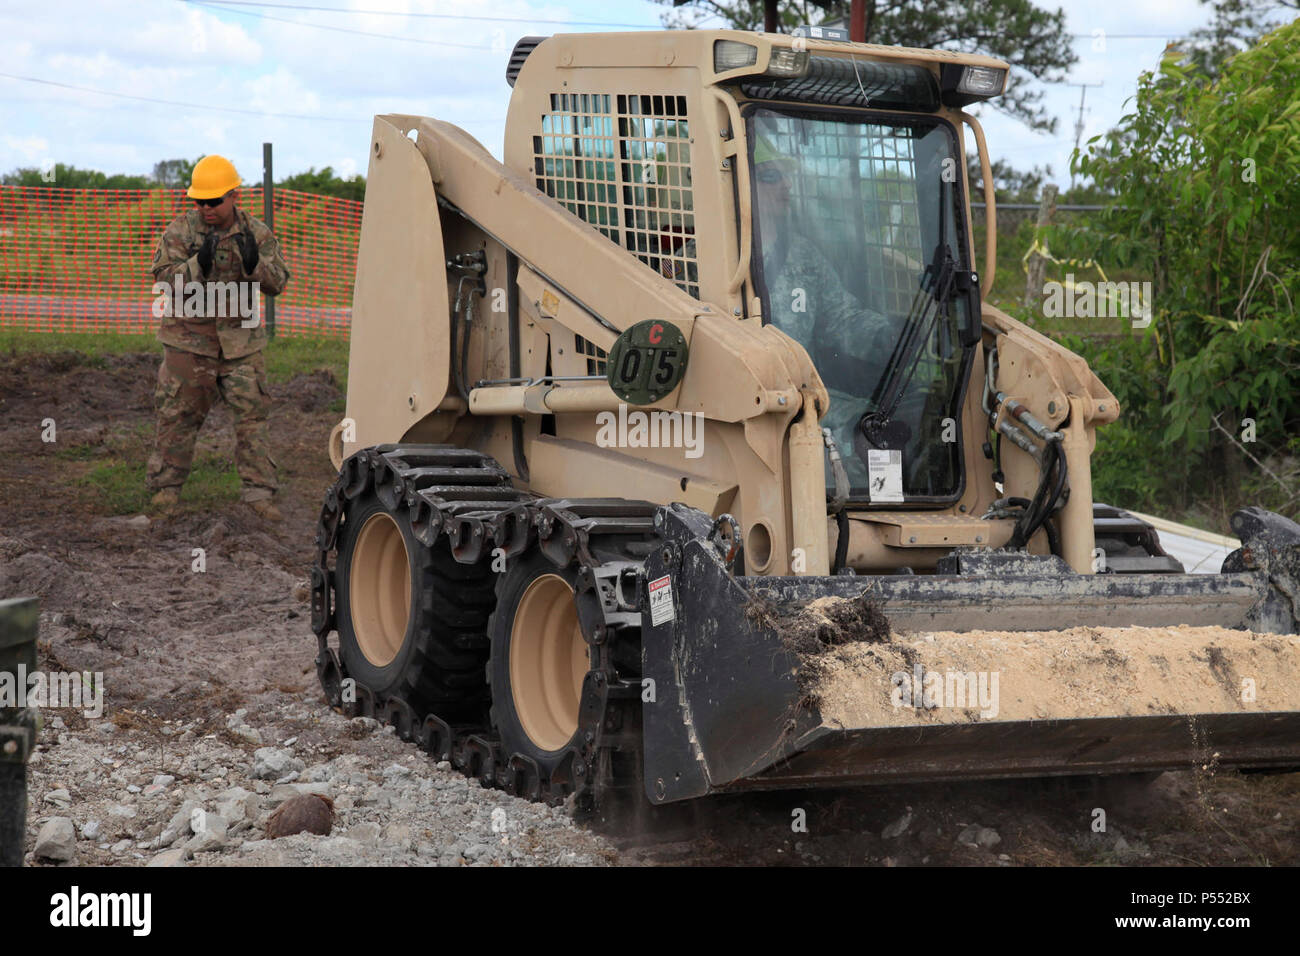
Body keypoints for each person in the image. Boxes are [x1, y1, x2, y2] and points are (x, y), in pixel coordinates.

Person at [146, 154, 290, 520]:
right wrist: (198, 265)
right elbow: (164, 280)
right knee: (178, 415)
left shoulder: (256, 233)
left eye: (214, 201)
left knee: (251, 417)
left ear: (233, 196)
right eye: (200, 201)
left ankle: (259, 495)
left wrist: (255, 264)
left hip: (241, 345)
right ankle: (166, 491)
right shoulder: (180, 232)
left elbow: (278, 284)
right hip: (189, 343)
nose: (206, 208)